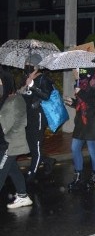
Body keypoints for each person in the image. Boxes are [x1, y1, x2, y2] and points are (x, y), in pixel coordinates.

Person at [64, 68, 95, 191]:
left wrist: (80, 93)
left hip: (92, 122)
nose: (74, 72)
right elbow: (81, 104)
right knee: (75, 147)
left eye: (76, 70)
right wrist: (73, 102)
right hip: (81, 123)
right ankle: (78, 175)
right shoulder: (79, 84)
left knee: (92, 149)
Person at [19, 53, 56, 181]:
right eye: (26, 65)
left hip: (39, 116)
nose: (27, 67)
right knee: (30, 147)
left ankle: (31, 175)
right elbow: (22, 97)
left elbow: (46, 96)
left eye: (30, 65)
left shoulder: (43, 79)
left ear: (37, 66)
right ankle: (48, 161)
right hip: (27, 116)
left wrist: (33, 86)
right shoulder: (25, 78)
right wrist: (22, 89)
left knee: (36, 147)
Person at [0, 70, 33, 209]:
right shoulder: (2, 99)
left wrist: (9, 136)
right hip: (3, 143)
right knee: (12, 169)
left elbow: (21, 122)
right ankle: (23, 196)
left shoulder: (15, 99)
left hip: (11, 143)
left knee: (1, 170)